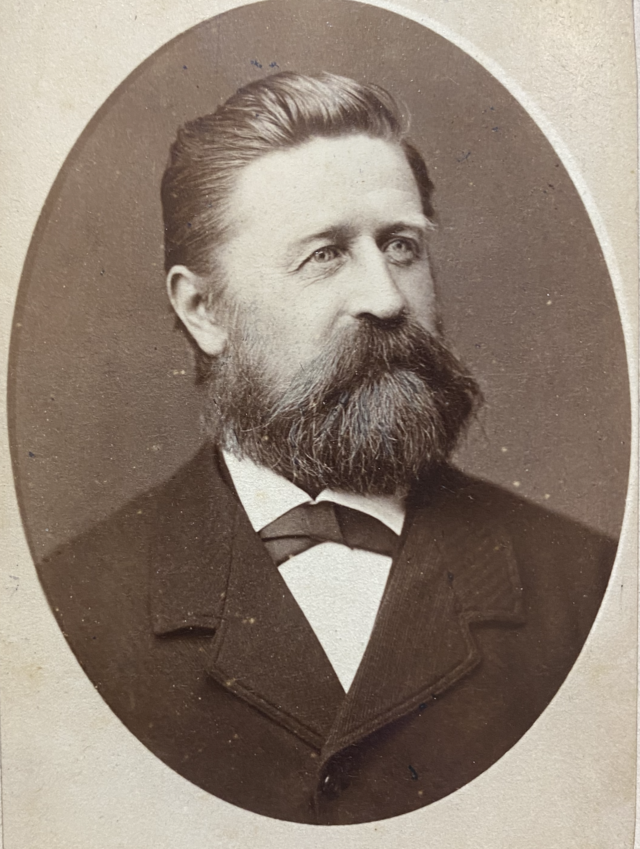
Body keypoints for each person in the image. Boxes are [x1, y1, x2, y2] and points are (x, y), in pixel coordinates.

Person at [40, 72, 616, 825]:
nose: (387, 298)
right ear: (204, 309)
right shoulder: (65, 610)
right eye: (324, 255)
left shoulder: (592, 586)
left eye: (401, 246)